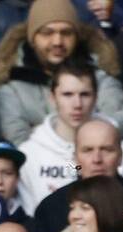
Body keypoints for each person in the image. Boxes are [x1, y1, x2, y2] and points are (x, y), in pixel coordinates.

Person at [0, 0, 123, 145]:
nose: (57, 41)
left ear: (76, 37)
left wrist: (55, 133)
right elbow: (18, 140)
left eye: (66, 33)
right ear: (32, 39)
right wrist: (93, 124)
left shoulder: (99, 73)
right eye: (47, 33)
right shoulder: (12, 83)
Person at [17, 60, 99, 214]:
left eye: (85, 94)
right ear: (53, 98)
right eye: (68, 94)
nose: (77, 104)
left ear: (95, 97)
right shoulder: (28, 155)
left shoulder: (122, 151)